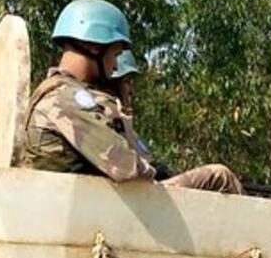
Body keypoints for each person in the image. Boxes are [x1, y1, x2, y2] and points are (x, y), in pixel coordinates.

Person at [17, 0, 242, 194]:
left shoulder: (64, 95)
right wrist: (153, 170)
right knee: (220, 177)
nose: (116, 65)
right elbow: (128, 168)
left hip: (95, 204)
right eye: (115, 54)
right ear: (94, 47)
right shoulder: (65, 99)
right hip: (101, 209)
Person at [100, 50, 243, 194]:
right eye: (126, 82)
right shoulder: (108, 113)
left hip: (148, 187)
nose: (131, 90)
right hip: (143, 191)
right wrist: (152, 170)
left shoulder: (121, 118)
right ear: (112, 83)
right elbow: (125, 166)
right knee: (221, 175)